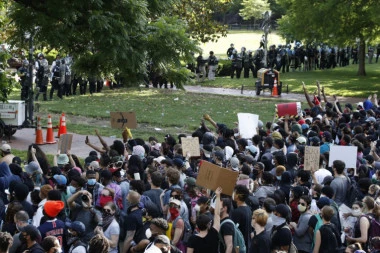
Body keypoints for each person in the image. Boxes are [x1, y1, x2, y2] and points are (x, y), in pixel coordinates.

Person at [186, 187, 221, 253]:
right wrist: (218, 196)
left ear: (197, 226)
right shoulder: (214, 234)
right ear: (209, 224)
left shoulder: (192, 239)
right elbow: (217, 214)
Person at [230, 185, 252, 251]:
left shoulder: (237, 212)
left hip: (239, 247)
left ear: (238, 195)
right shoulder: (248, 209)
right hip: (246, 245)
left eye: (234, 192)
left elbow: (235, 234)